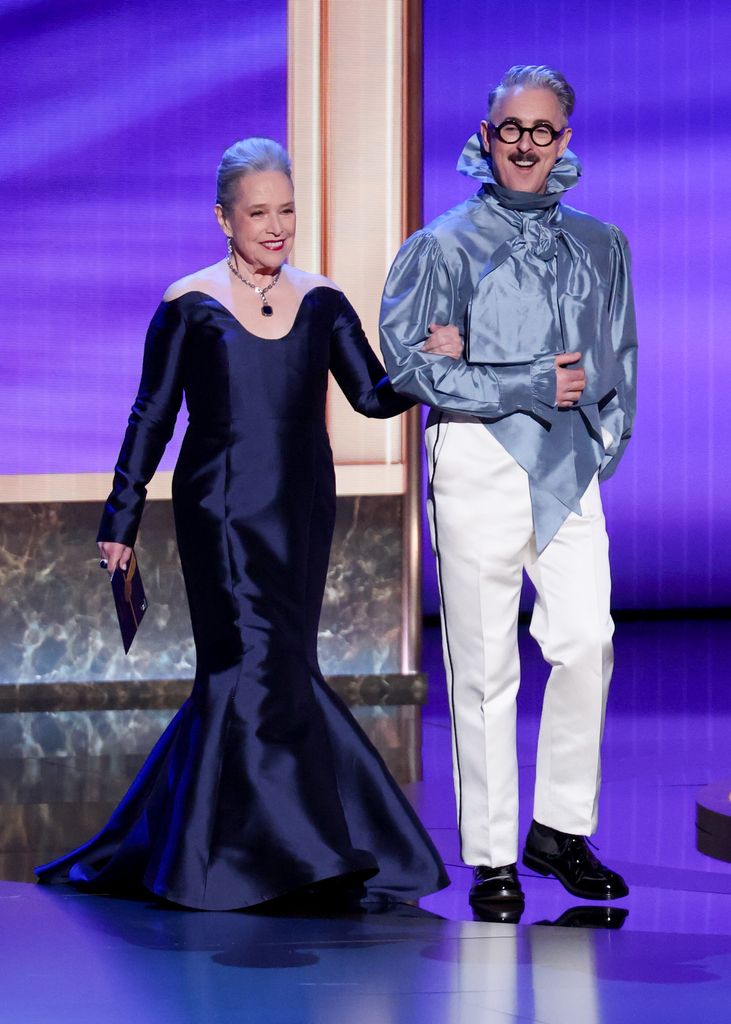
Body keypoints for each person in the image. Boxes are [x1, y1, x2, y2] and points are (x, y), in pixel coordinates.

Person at [36, 137, 449, 911]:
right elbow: (151, 415)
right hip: (220, 508)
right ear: (223, 218)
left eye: (286, 210)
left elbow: (370, 395)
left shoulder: (321, 299)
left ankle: (245, 843)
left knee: (283, 661)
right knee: (244, 663)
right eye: (259, 212)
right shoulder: (188, 303)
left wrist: (429, 366)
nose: (276, 226)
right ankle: (282, 852)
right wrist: (121, 513)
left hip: (300, 508)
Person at [380, 66, 637, 914]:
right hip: (477, 459)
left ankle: (559, 830)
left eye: (542, 129)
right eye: (510, 128)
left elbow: (619, 357)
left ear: (564, 139)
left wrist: (601, 440)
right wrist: (519, 377)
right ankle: (491, 856)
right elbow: (411, 364)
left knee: (585, 641)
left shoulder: (601, 244)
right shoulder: (442, 246)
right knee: (483, 663)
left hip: (565, 463)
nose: (525, 143)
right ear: (484, 137)